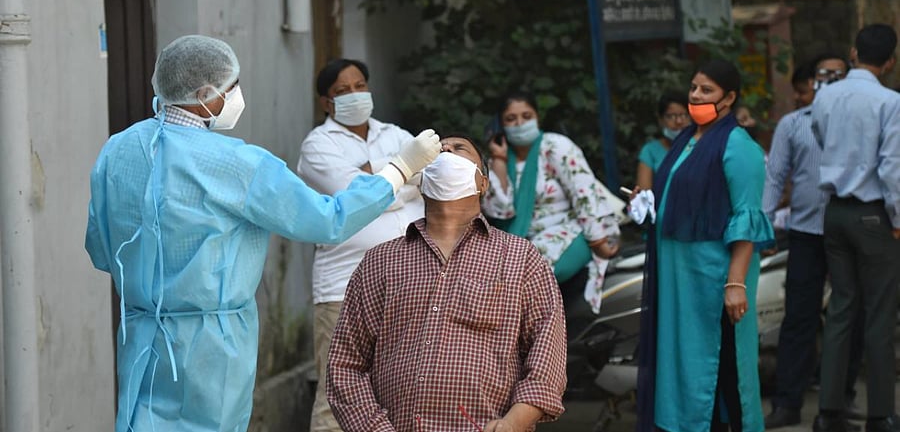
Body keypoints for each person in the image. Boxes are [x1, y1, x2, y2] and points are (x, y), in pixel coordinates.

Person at [84, 35, 441, 432]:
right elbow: (328, 219)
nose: (237, 94)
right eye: (231, 86)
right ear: (205, 93)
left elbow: (100, 249)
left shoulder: (117, 150)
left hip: (140, 333)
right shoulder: (237, 163)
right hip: (211, 342)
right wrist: (399, 171)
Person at [326, 135, 567, 432]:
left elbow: (547, 356)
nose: (446, 152)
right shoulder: (381, 261)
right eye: (439, 150)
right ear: (421, 179)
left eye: (459, 149)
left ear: (482, 184)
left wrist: (513, 424)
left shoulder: (521, 258)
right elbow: (346, 365)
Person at [634, 59, 775, 432]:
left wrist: (735, 283)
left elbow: (747, 220)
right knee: (687, 364)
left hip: (714, 278)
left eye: (706, 90)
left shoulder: (738, 145)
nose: (696, 95)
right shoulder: (687, 139)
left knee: (723, 365)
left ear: (728, 98)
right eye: (694, 87)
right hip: (681, 278)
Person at [296, 58, 425, 432]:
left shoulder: (395, 134)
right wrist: (403, 176)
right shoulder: (318, 145)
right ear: (325, 102)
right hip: (345, 287)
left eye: (359, 85)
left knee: (401, 387)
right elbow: (354, 198)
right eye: (342, 91)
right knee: (338, 396)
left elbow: (429, 179)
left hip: (409, 279)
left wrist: (380, 180)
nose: (354, 94)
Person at [762, 56, 864, 429]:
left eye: (837, 75)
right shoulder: (792, 124)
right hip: (806, 233)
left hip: (852, 233)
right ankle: (787, 403)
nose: (830, 81)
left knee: (852, 317)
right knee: (799, 318)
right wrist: (765, 225)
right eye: (823, 75)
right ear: (812, 82)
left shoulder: (861, 118)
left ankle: (841, 399)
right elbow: (775, 176)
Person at [811, 24, 900, 432]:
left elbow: (820, 137)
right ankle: (880, 415)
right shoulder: (890, 101)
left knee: (842, 311)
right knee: (880, 317)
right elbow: (892, 168)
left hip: (835, 213)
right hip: (873, 215)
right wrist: (898, 220)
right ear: (890, 62)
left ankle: (829, 413)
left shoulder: (825, 96)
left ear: (852, 52)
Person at [482, 91, 621, 313]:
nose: (519, 124)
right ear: (500, 125)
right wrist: (498, 160)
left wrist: (598, 240)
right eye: (511, 119)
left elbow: (584, 193)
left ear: (537, 116)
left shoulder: (555, 146)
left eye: (526, 116)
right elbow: (500, 211)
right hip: (520, 241)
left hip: (569, 230)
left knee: (527, 274)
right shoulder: (499, 159)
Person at [636, 91, 691, 190]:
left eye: (684, 115)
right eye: (671, 116)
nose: (678, 121)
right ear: (660, 119)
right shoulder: (650, 151)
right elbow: (644, 194)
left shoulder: (700, 147)